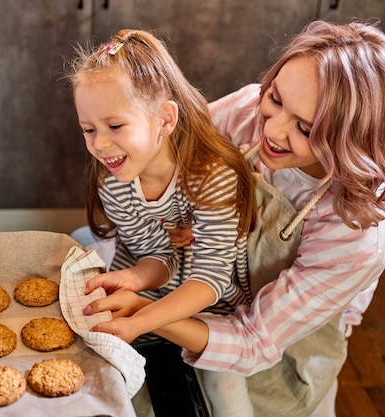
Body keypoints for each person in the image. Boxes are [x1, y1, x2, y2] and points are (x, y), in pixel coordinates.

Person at [82, 20, 385, 417]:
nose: (272, 129)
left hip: (282, 332)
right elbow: (175, 168)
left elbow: (253, 341)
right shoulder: (243, 113)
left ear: (353, 139)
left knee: (227, 387)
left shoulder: (357, 235)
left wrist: (146, 315)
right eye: (275, 98)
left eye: (305, 128)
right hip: (214, 288)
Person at [65, 29, 256, 416]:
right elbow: (154, 253)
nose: (100, 145)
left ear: (164, 119)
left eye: (115, 126)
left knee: (223, 383)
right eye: (89, 129)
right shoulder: (114, 183)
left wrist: (142, 318)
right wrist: (137, 279)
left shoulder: (213, 177)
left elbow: (211, 278)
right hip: (151, 288)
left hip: (207, 304)